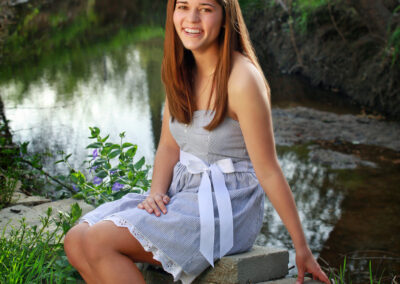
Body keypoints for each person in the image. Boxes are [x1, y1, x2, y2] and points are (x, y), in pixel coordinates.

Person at [64, 0, 331, 283]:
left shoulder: (241, 79)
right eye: (183, 6)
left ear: (225, 17)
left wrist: (302, 248)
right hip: (183, 193)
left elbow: (268, 169)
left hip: (227, 206)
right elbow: (169, 146)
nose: (191, 18)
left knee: (98, 241)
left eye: (205, 8)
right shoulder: (180, 70)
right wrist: (156, 193)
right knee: (76, 240)